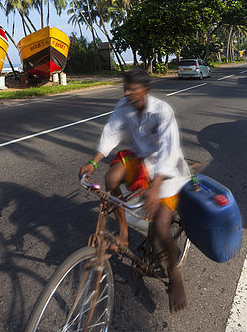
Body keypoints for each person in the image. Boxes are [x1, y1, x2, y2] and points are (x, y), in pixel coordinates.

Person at [79, 68, 190, 314]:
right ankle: (124, 234)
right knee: (111, 178)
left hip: (168, 171)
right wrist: (94, 161)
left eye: (133, 89)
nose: (127, 93)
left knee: (162, 226)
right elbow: (110, 135)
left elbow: (169, 152)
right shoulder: (124, 105)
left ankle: (174, 273)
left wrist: (156, 188)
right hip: (141, 162)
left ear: (146, 91)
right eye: (125, 88)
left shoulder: (162, 112)